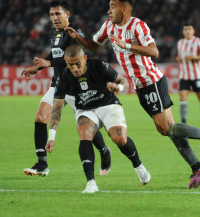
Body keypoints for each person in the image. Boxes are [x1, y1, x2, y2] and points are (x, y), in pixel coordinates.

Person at [65, 0, 200, 189]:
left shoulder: (137, 26)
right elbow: (93, 46)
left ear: (124, 9)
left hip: (151, 81)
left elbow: (154, 51)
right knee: (165, 128)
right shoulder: (109, 26)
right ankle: (197, 166)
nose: (108, 10)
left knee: (167, 128)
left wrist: (128, 45)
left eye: (112, 7)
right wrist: (78, 38)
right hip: (140, 86)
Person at [21, 0, 111, 177]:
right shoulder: (54, 34)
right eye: (52, 15)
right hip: (58, 85)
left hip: (76, 87)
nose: (54, 18)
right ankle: (42, 164)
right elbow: (54, 55)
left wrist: (48, 63)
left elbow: (74, 58)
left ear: (67, 14)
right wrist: (39, 66)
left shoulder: (74, 33)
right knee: (40, 117)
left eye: (58, 14)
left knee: (87, 126)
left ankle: (104, 151)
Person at [45, 44, 150, 193]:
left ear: (85, 58)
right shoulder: (64, 77)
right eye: (70, 65)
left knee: (119, 139)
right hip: (86, 109)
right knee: (84, 134)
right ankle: (91, 182)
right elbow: (56, 108)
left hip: (108, 105)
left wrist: (118, 88)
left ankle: (139, 166)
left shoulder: (99, 66)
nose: (74, 68)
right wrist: (52, 137)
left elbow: (124, 82)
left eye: (77, 64)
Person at [175, 24, 200, 130]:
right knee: (182, 98)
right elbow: (179, 57)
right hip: (184, 76)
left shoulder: (198, 42)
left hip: (197, 76)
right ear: (183, 31)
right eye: (185, 29)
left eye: (189, 29)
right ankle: (184, 124)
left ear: (194, 31)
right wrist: (178, 59)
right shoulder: (180, 43)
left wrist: (194, 57)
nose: (187, 31)